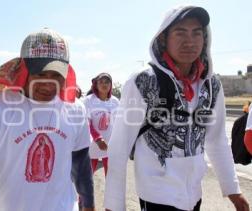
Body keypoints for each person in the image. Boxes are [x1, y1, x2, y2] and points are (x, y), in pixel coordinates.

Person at [104, 5, 249, 211]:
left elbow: (216, 140)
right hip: (156, 195)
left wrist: (233, 189)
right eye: (180, 32)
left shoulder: (211, 85)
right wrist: (114, 205)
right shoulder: (144, 81)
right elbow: (119, 146)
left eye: (196, 33)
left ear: (205, 38)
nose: (189, 41)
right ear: (164, 38)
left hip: (194, 195)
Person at [0, 28, 95, 211]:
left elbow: (81, 162)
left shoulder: (76, 110)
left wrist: (89, 203)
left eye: (57, 75)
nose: (48, 84)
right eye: (41, 74)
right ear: (23, 71)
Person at [83, 73, 119, 176]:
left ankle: (110, 193)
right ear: (96, 85)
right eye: (101, 82)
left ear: (111, 85)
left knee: (111, 177)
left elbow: (118, 124)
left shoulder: (115, 102)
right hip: (92, 144)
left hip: (110, 145)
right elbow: (87, 122)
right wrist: (98, 139)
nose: (104, 84)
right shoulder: (88, 100)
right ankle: (84, 193)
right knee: (87, 177)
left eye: (107, 82)